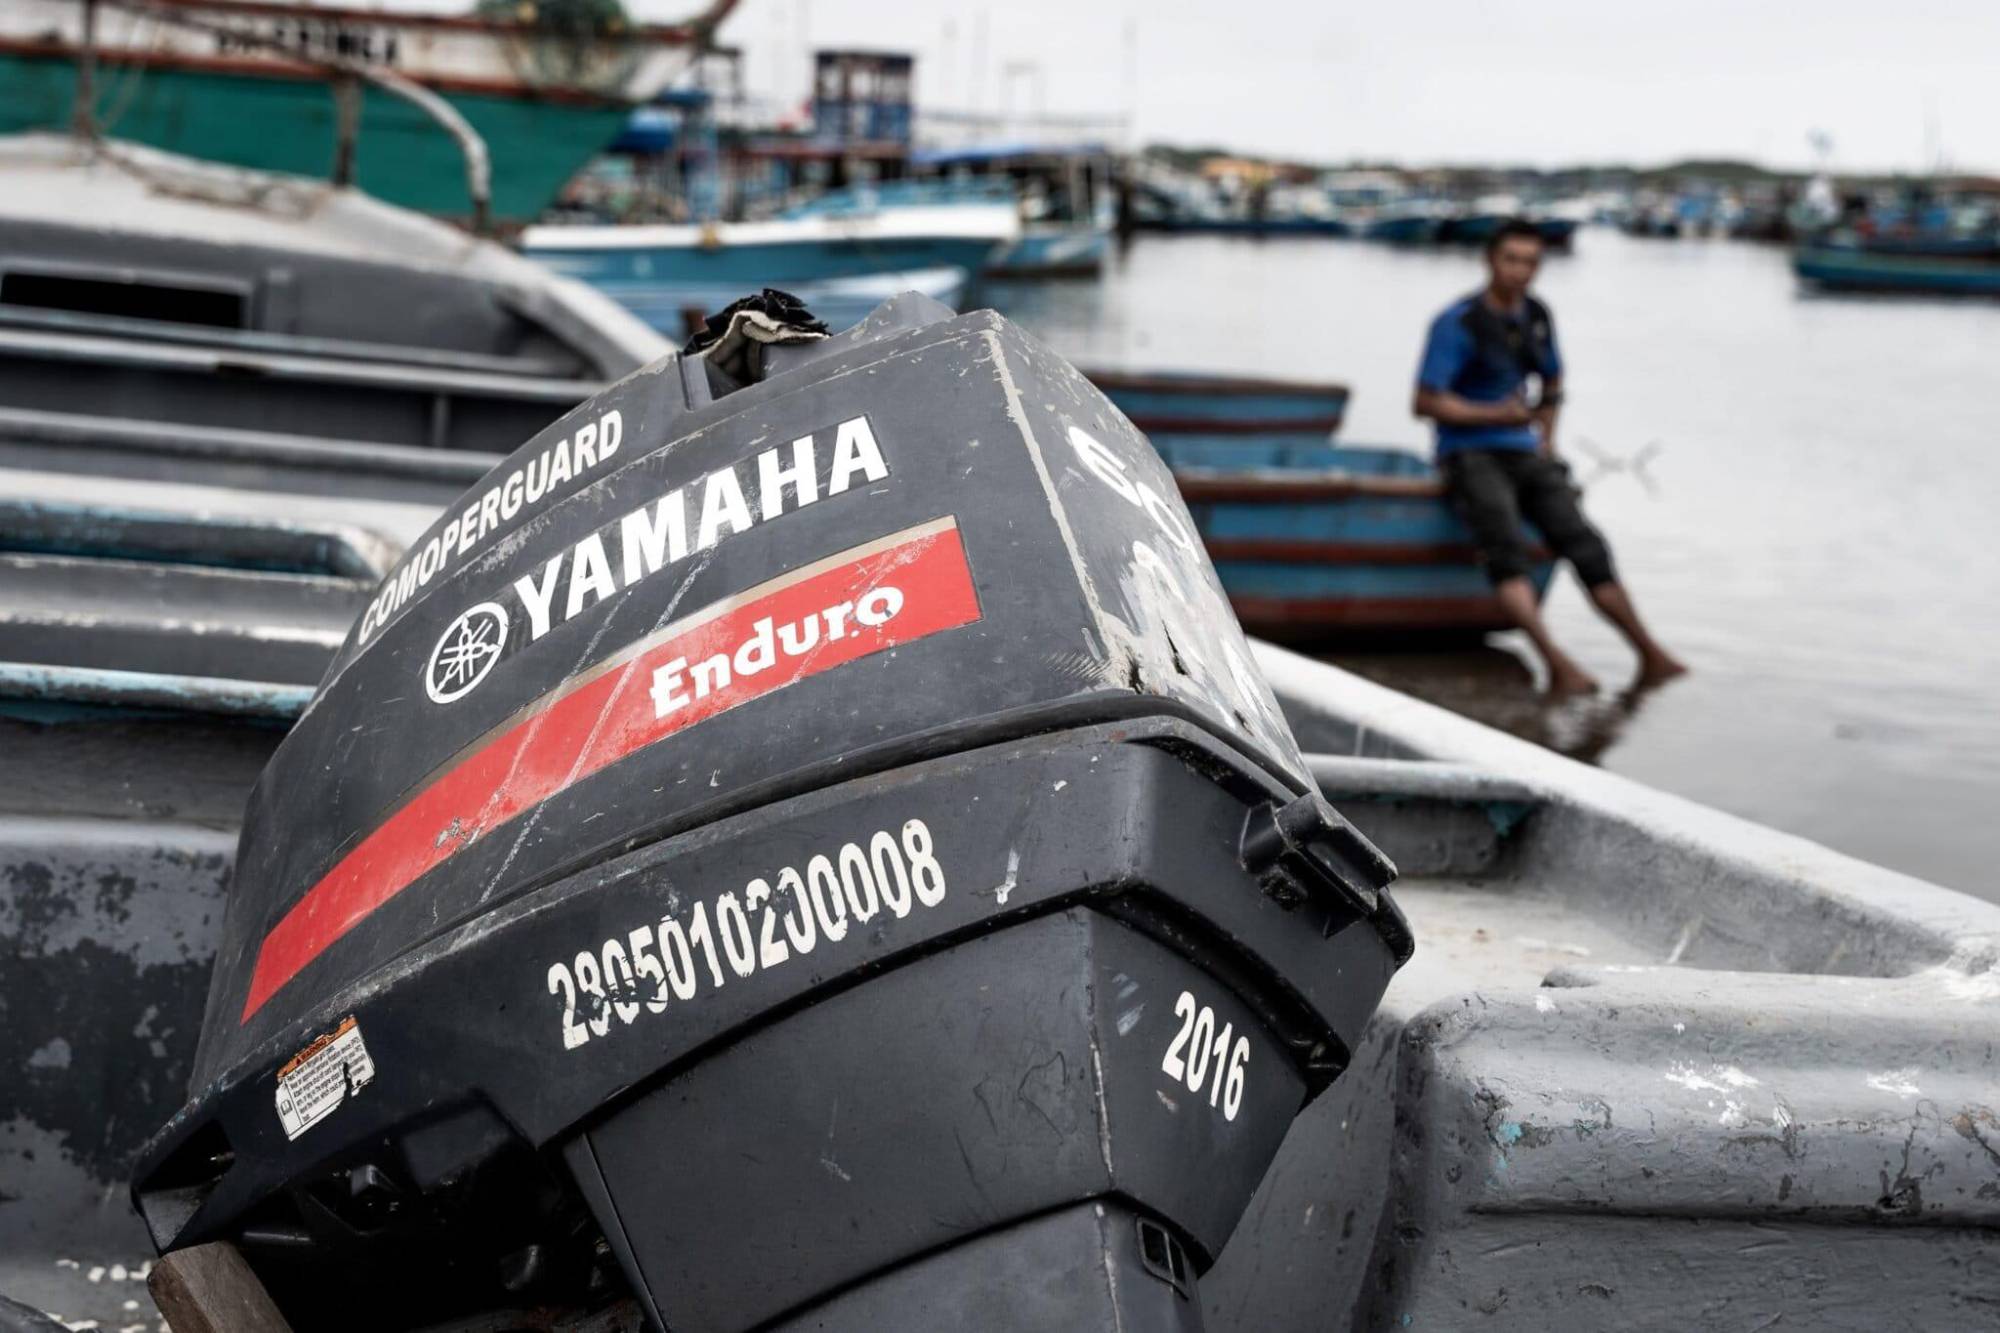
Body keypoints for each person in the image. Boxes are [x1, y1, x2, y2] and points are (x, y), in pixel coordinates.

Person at [1413, 218, 1685, 694]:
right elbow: (1426, 402)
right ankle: (1555, 661)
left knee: (1585, 545)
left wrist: (1548, 441)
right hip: (1468, 452)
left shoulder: (1536, 315)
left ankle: (1650, 653)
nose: (1521, 271)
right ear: (1491, 261)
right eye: (1511, 260)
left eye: (1531, 262)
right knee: (1506, 549)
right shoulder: (1458, 322)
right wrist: (1492, 416)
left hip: (1524, 452)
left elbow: (1553, 382)